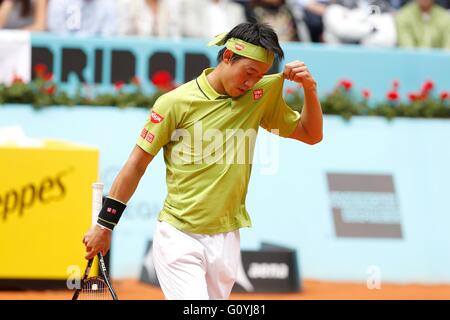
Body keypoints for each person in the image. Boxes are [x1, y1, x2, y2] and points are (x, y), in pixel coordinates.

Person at [82, 22, 323, 300]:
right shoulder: (174, 103)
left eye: (259, 77)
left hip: (227, 236)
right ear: (228, 56)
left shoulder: (260, 95)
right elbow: (136, 164)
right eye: (248, 73)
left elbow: (311, 134)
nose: (251, 83)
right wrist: (104, 226)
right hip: (179, 235)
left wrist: (310, 89)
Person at [47, 0, 117, 36]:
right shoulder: (59, 1)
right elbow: (56, 34)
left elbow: (108, 36)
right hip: (66, 54)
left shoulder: (108, 3)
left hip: (97, 57)